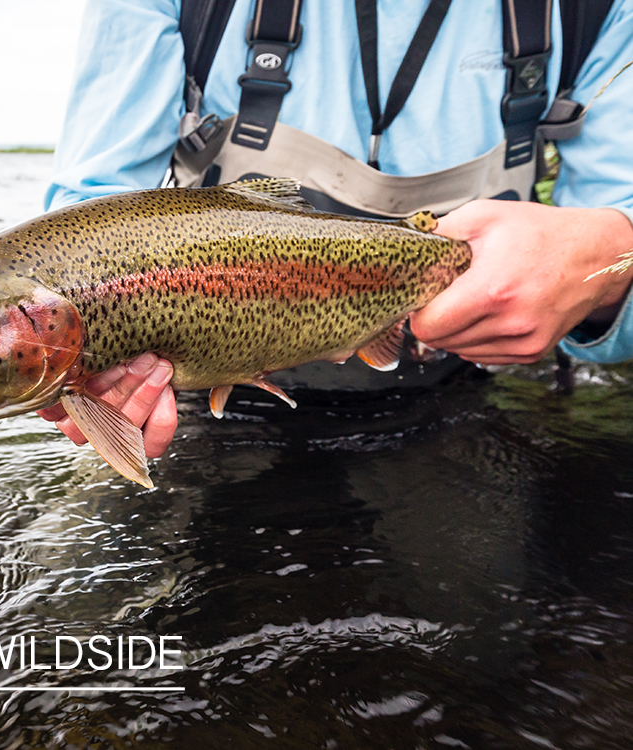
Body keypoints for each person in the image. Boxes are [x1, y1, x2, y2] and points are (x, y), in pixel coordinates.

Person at [37, 0, 633, 455]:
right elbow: (89, 225)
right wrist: (84, 354)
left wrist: (607, 262)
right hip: (206, 401)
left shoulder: (595, 10)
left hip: (469, 394)